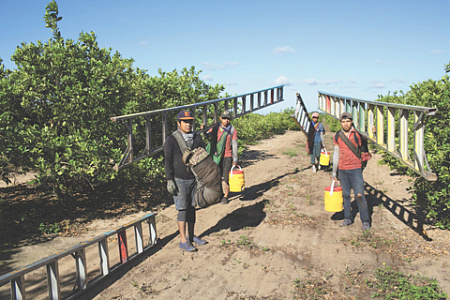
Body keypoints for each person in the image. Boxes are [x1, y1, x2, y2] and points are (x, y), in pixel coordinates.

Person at [164, 111, 207, 252]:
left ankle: (191, 235)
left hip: (194, 178)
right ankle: (183, 240)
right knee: (182, 209)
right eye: (185, 121)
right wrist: (169, 179)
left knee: (192, 208)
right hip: (179, 179)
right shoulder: (172, 139)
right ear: (179, 123)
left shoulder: (197, 137)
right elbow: (167, 161)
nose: (188, 124)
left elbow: (204, 155)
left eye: (190, 121)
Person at [332, 112, 371, 230]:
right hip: (342, 169)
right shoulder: (338, 135)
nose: (345, 124)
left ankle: (365, 221)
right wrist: (334, 172)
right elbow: (336, 154)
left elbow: (370, 138)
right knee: (346, 195)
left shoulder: (357, 134)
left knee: (359, 195)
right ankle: (347, 218)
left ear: (351, 122)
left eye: (347, 121)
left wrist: (373, 131)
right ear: (340, 123)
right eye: (343, 122)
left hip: (355, 168)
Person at [204, 110, 239, 204]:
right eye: (224, 118)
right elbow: (207, 136)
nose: (226, 120)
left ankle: (226, 196)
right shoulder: (215, 128)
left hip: (227, 156)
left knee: (226, 177)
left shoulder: (232, 130)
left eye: (228, 119)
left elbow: (234, 145)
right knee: (216, 176)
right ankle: (219, 194)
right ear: (220, 118)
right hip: (216, 156)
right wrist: (204, 130)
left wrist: (235, 160)